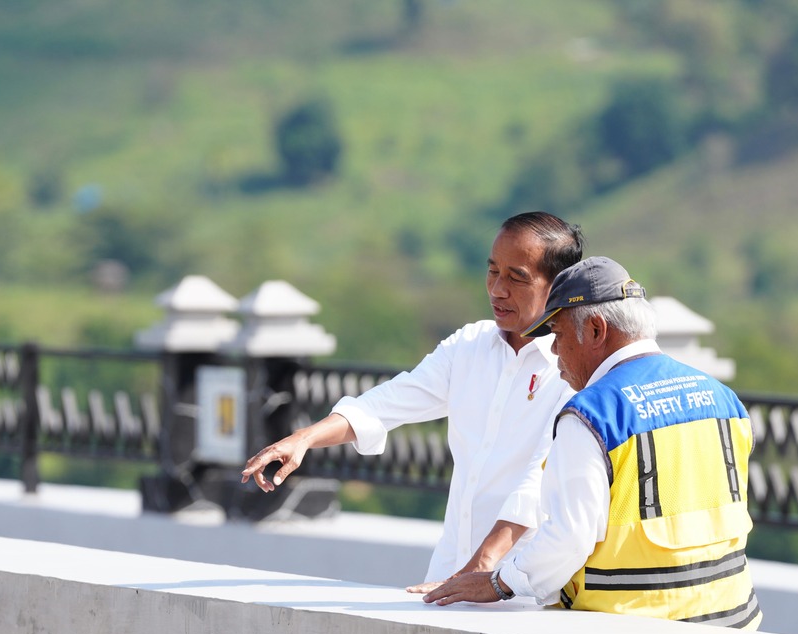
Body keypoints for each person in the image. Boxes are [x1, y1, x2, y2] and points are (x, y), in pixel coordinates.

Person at [241, 212, 585, 587]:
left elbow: (536, 484)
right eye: (492, 271)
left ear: (558, 286)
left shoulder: (572, 368)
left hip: (521, 583)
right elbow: (388, 401)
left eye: (517, 277)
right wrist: (304, 438)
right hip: (449, 572)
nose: (497, 289)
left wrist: (480, 568)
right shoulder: (469, 345)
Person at [423, 256, 763, 630]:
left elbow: (569, 538)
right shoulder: (723, 398)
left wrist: (498, 583)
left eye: (559, 334)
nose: (553, 352)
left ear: (597, 330)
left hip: (635, 632)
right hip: (732, 621)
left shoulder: (591, 415)